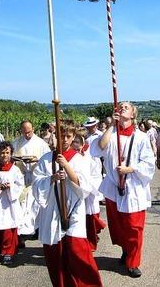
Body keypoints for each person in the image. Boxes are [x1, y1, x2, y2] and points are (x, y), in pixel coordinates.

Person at [33, 123, 103, 287]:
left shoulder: (79, 159)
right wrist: (52, 178)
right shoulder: (45, 159)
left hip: (73, 211)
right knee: (55, 256)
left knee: (77, 253)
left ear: (73, 138)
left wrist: (67, 166)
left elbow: (84, 185)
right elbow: (37, 183)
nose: (64, 140)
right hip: (52, 211)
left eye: (68, 136)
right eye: (61, 135)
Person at [91, 102, 155, 278]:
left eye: (126, 107)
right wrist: (112, 125)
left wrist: (130, 169)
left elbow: (149, 163)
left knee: (134, 227)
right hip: (113, 188)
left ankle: (133, 263)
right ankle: (126, 250)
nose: (122, 107)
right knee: (118, 226)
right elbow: (99, 148)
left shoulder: (141, 137)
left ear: (133, 115)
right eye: (120, 106)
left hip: (133, 188)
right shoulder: (112, 134)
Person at [12, 120, 51, 241]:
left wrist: (36, 160)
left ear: (33, 129)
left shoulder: (41, 143)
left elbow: (47, 160)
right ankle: (22, 231)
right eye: (24, 132)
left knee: (34, 204)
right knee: (23, 204)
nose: (27, 135)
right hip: (22, 176)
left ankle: (37, 228)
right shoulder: (17, 142)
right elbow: (12, 157)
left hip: (36, 176)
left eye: (29, 132)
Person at [74, 125, 106, 251]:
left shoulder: (90, 154)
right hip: (76, 191)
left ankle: (91, 242)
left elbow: (95, 173)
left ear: (83, 142)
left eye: (77, 141)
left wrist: (88, 187)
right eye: (74, 141)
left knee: (90, 218)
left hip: (89, 191)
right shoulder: (72, 155)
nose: (75, 144)